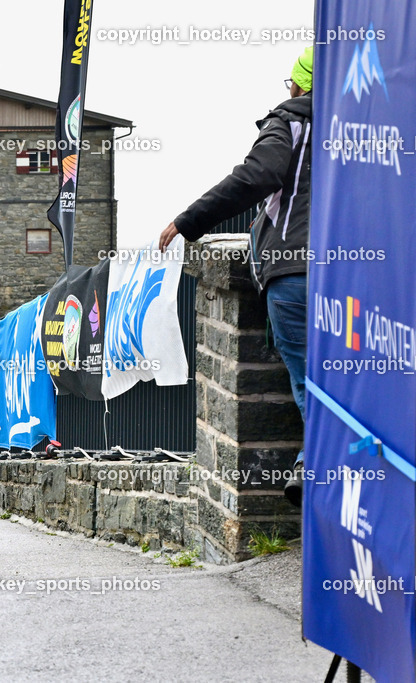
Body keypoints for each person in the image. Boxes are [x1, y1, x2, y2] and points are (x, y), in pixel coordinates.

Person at [158, 46, 313, 507]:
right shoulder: (373, 131)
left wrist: (189, 220)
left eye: (290, 82)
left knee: (311, 380)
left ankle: (320, 469)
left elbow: (257, 176)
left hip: (297, 273)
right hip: (363, 278)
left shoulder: (291, 120)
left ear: (299, 84)